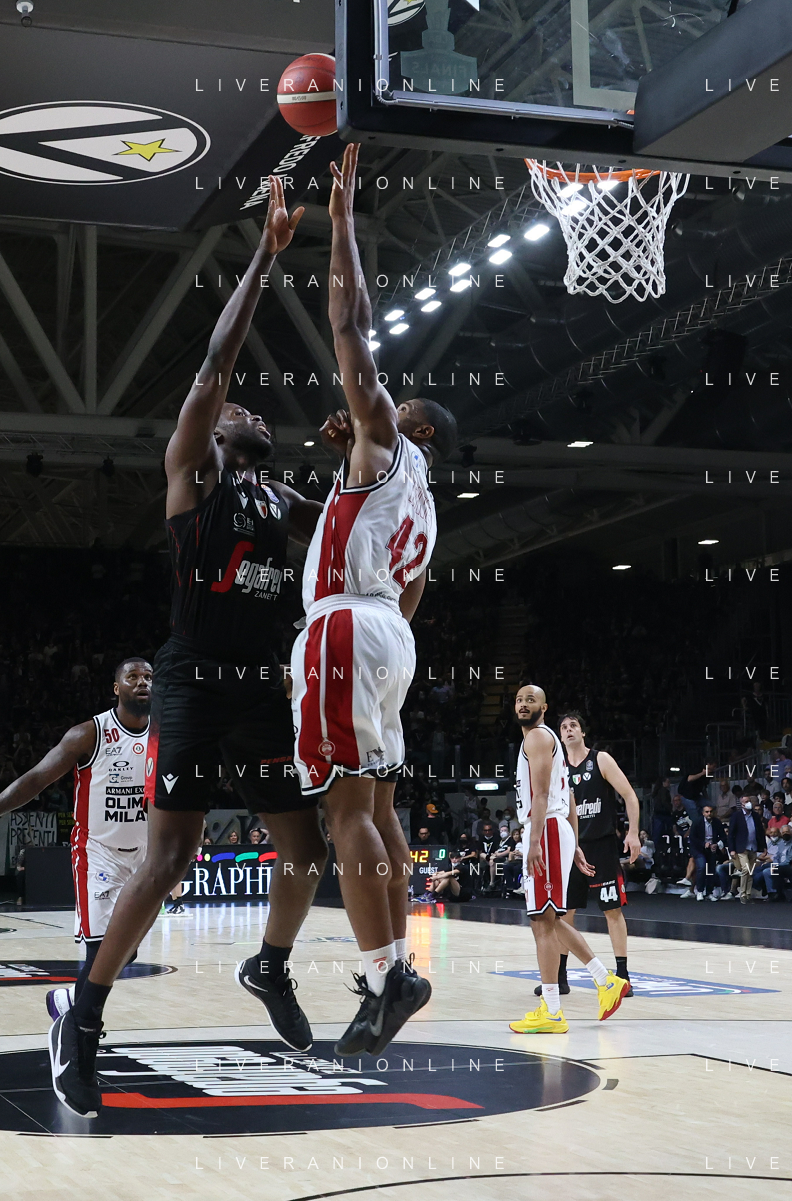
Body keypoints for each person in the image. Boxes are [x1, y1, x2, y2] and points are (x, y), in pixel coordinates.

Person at [49, 178, 328, 1120]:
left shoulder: (283, 498)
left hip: (260, 686)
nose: (251, 408)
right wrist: (266, 258)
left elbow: (349, 519)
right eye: (238, 406)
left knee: (308, 848)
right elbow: (216, 361)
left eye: (258, 409)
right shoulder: (196, 470)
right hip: (195, 681)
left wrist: (371, 451)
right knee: (170, 859)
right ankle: (85, 1020)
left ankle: (270, 964)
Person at [290, 143, 458, 1058]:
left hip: (346, 627)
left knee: (344, 814)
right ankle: (398, 971)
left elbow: (349, 322)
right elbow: (410, 592)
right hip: (391, 632)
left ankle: (386, 975)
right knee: (380, 811)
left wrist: (341, 222)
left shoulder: (387, 432)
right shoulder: (425, 507)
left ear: (411, 422)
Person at [0, 659, 152, 1021]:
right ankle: (81, 1031)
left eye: (148, 676)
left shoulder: (167, 733)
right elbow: (37, 778)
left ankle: (68, 1002)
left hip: (147, 858)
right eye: (132, 677)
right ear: (117, 688)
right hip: (98, 853)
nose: (142, 682)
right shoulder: (89, 734)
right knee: (100, 952)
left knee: (126, 952)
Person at [507, 685, 628, 1035]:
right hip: (553, 829)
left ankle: (552, 1010)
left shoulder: (537, 738)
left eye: (530, 700)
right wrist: (572, 843)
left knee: (542, 922)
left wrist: (535, 840)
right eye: (519, 700)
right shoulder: (548, 741)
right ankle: (605, 981)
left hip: (544, 828)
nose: (523, 704)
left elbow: (543, 794)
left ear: (544, 707)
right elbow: (570, 797)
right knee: (549, 918)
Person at [551, 711, 641, 997]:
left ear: (583, 732)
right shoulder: (556, 766)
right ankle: (560, 977)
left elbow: (630, 795)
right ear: (559, 735)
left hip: (601, 846)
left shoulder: (600, 759)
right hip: (570, 848)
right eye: (563, 727)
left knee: (612, 910)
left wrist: (633, 832)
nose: (568, 730)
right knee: (564, 914)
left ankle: (622, 976)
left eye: (573, 725)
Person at [727, 795, 767, 904]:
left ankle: (748, 895)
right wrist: (732, 849)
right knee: (746, 869)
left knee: (751, 871)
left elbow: (760, 832)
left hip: (753, 847)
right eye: (745, 801)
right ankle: (743, 894)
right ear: (741, 804)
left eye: (749, 801)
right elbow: (731, 834)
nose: (748, 803)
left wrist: (764, 846)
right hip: (741, 847)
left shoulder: (755, 815)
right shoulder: (736, 816)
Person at [688, 804, 727, 900]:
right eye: (707, 812)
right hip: (698, 848)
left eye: (711, 811)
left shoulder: (717, 822)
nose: (709, 813)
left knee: (711, 870)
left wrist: (717, 844)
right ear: (703, 813)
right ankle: (700, 891)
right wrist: (703, 844)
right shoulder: (697, 822)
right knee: (701, 867)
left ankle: (709, 892)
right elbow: (692, 837)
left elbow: (723, 836)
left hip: (711, 848)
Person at [762, 823, 792, 900]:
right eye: (783, 832)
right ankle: (772, 893)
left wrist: (778, 866)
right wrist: (775, 864)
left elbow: (789, 859)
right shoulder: (781, 844)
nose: (785, 834)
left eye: (787, 832)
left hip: (788, 865)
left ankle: (779, 894)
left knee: (776, 870)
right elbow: (777, 856)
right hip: (780, 865)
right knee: (766, 871)